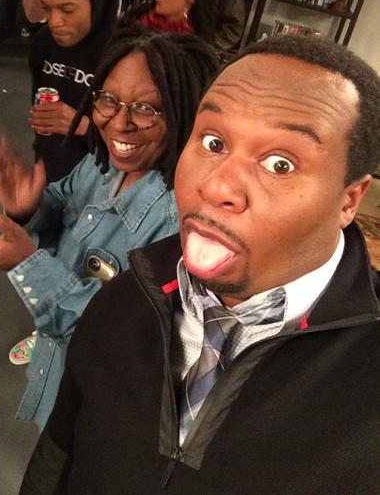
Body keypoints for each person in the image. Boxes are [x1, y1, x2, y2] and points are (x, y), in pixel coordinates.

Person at [19, 34, 380, 493]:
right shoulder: (129, 297)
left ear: (349, 199)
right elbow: (56, 459)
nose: (215, 187)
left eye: (280, 164)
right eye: (213, 141)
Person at [0, 28, 220, 430]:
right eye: (108, 100)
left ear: (186, 114)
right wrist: (28, 209)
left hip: (97, 408)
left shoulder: (177, 227)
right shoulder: (101, 163)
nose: (119, 124)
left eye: (146, 109)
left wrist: (27, 264)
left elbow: (115, 336)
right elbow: (61, 207)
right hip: (57, 371)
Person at [23, 0, 120, 183]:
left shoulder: (128, 57)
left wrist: (83, 127)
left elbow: (147, 154)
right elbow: (43, 127)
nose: (54, 22)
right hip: (49, 184)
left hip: (104, 192)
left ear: (98, 1)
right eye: (47, 8)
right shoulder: (44, 44)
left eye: (67, 9)